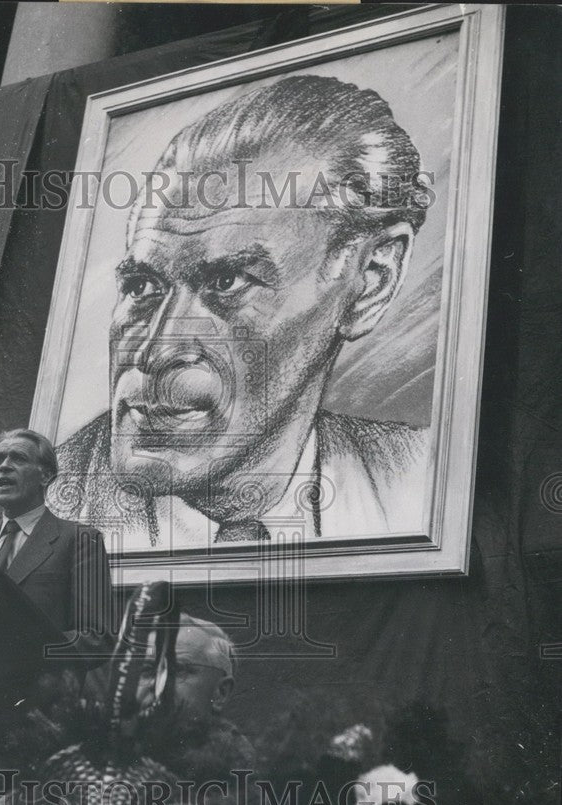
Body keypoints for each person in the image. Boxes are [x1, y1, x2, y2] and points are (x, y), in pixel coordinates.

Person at [48, 75, 432, 549]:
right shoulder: (45, 512)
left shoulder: (424, 479)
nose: (154, 350)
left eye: (227, 283)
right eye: (143, 286)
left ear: (371, 281)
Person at [0, 608, 255, 805]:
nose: (156, 687)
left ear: (221, 692)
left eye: (179, 671)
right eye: (145, 670)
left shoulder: (248, 792)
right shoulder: (61, 778)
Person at [0, 428, 112, 637]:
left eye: (18, 458)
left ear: (46, 476)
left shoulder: (80, 539)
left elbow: (96, 635)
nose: (4, 466)